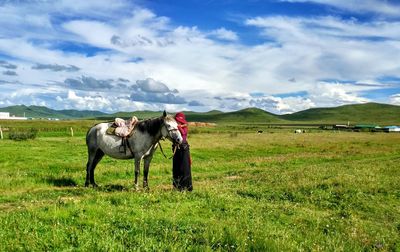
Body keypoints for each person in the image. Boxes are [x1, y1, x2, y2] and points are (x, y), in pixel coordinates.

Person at [172, 112, 193, 191]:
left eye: (178, 121)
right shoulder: (176, 128)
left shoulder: (184, 127)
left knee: (184, 168)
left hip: (184, 148)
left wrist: (179, 127)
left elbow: (183, 133)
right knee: (176, 167)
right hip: (176, 148)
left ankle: (185, 187)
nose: (177, 122)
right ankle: (177, 186)